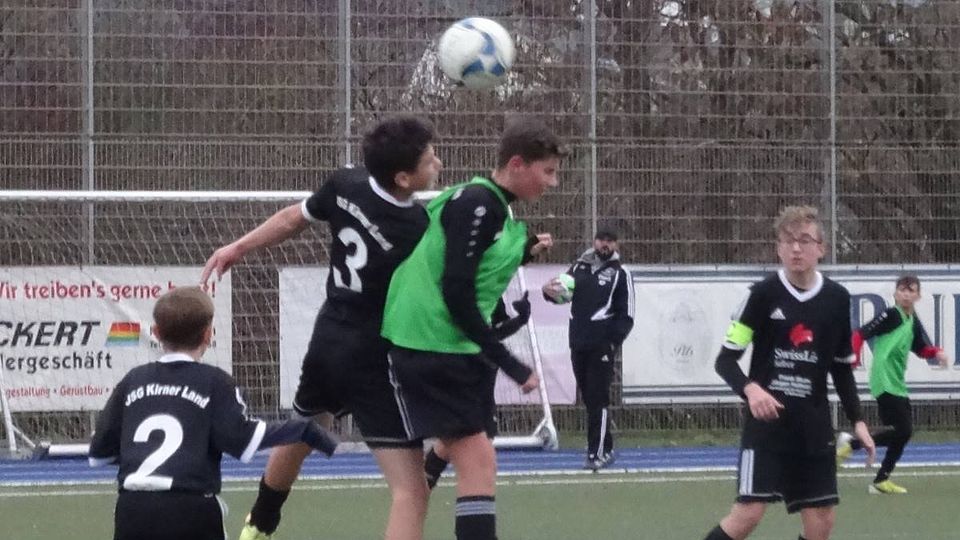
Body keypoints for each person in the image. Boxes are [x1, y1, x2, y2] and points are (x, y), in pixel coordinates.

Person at [200, 116, 442, 540]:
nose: (438, 163)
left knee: (303, 430)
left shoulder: (347, 184)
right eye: (429, 159)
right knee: (412, 490)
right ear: (403, 178)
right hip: (375, 357)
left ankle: (256, 528)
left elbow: (293, 218)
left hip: (329, 339)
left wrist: (238, 246)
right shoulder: (417, 230)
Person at [381, 118, 565, 540]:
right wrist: (510, 364)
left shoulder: (492, 206)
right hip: (433, 342)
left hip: (453, 344)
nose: (552, 182)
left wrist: (524, 252)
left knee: (469, 445)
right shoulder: (478, 203)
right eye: (548, 171)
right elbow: (456, 290)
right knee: (478, 458)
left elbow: (476, 269)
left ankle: (425, 484)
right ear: (517, 164)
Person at [88, 287, 338, 540]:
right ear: (208, 334)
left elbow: (99, 453)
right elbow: (242, 439)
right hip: (192, 508)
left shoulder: (132, 381)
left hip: (132, 510)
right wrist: (303, 430)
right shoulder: (215, 382)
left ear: (156, 333)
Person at [700, 205, 876, 540]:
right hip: (767, 429)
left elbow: (841, 368)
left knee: (821, 521)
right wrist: (751, 389)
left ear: (821, 248)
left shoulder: (837, 299)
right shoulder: (761, 295)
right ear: (778, 248)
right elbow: (726, 360)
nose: (796, 248)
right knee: (748, 514)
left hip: (812, 427)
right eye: (788, 240)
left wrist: (859, 422)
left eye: (805, 240)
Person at [836, 275, 950, 494]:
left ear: (918, 296)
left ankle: (880, 479)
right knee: (903, 430)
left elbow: (920, 348)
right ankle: (851, 446)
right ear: (895, 294)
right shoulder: (891, 314)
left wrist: (937, 352)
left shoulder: (912, 320)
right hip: (884, 379)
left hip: (896, 381)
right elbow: (860, 334)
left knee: (903, 433)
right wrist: (854, 358)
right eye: (902, 290)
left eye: (911, 290)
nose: (906, 294)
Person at [541, 227, 634, 470]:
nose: (605, 245)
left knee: (597, 398)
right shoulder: (579, 267)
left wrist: (611, 342)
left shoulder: (620, 273)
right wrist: (548, 293)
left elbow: (627, 316)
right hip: (578, 343)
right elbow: (562, 292)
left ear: (616, 245)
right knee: (589, 399)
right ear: (594, 242)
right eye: (602, 240)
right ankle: (607, 447)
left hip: (601, 346)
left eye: (610, 241)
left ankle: (596, 453)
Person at [423, 294, 532, 489]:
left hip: (484, 372)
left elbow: (495, 333)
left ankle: (424, 480)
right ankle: (472, 495)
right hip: (459, 367)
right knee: (478, 440)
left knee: (459, 435)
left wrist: (520, 320)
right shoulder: (455, 290)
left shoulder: (492, 293)